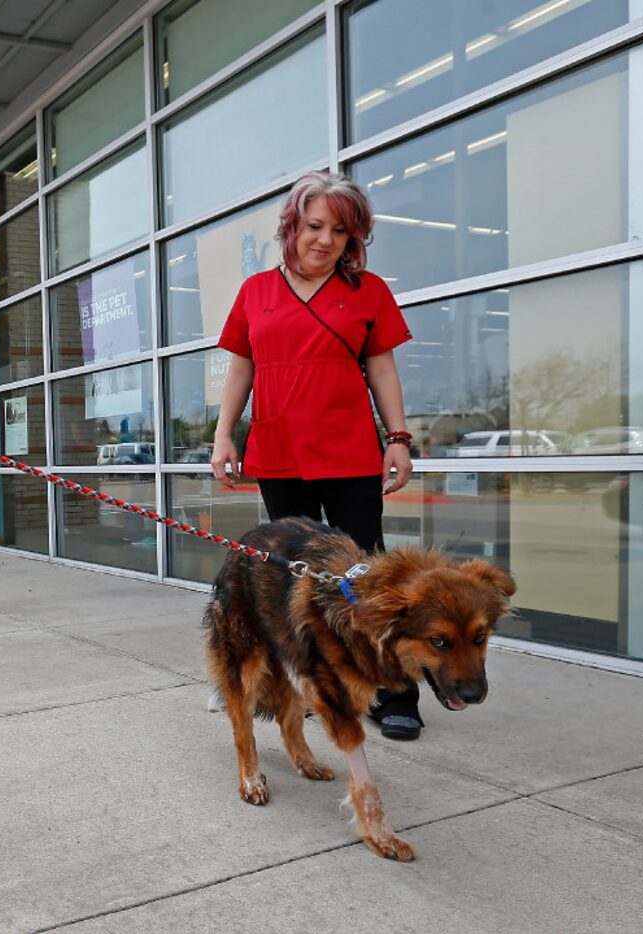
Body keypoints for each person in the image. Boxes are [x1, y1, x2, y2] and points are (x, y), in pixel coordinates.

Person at [209, 170, 424, 741]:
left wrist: (397, 439)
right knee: (284, 579)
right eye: (314, 226)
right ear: (292, 227)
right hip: (279, 451)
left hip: (351, 451)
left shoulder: (368, 291)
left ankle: (393, 691)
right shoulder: (256, 292)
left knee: (366, 574)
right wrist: (224, 434)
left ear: (354, 239)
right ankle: (292, 687)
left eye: (340, 231)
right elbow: (242, 368)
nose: (325, 240)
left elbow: (381, 367)